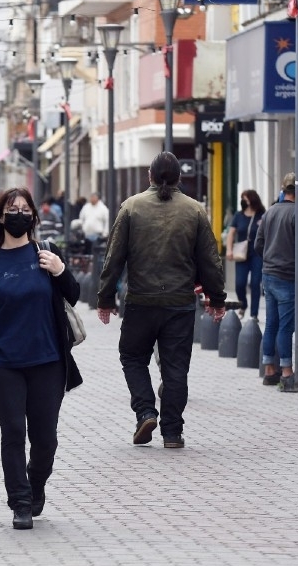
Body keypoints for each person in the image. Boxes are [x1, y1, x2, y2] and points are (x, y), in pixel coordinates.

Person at [0, 186, 82, 530]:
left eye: (25, 210)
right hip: (2, 364)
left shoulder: (47, 254)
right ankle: (20, 502)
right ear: (0, 217)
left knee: (46, 440)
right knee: (13, 431)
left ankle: (35, 482)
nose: (19, 215)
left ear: (34, 216)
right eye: (12, 210)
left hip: (48, 362)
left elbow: (74, 295)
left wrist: (60, 270)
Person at [97, 152, 227, 449]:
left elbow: (113, 258)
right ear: (179, 177)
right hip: (180, 303)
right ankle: (172, 432)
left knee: (132, 357)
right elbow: (210, 260)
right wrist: (216, 298)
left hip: (140, 301)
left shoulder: (131, 207)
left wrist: (105, 298)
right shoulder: (194, 210)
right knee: (175, 368)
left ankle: (145, 412)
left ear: (150, 176)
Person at [254, 173, 298, 388]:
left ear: (283, 190)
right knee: (286, 326)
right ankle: (287, 371)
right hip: (288, 276)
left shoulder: (269, 212)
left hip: (269, 274)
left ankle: (269, 369)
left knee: (271, 323)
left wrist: (270, 258)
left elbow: (258, 244)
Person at [224, 189, 266, 319]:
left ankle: (254, 314)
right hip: (242, 254)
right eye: (242, 199)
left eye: (245, 199)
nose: (243, 201)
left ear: (252, 199)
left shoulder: (262, 215)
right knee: (240, 284)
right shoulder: (239, 215)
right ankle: (243, 305)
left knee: (255, 283)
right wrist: (229, 250)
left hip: (257, 254)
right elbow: (231, 233)